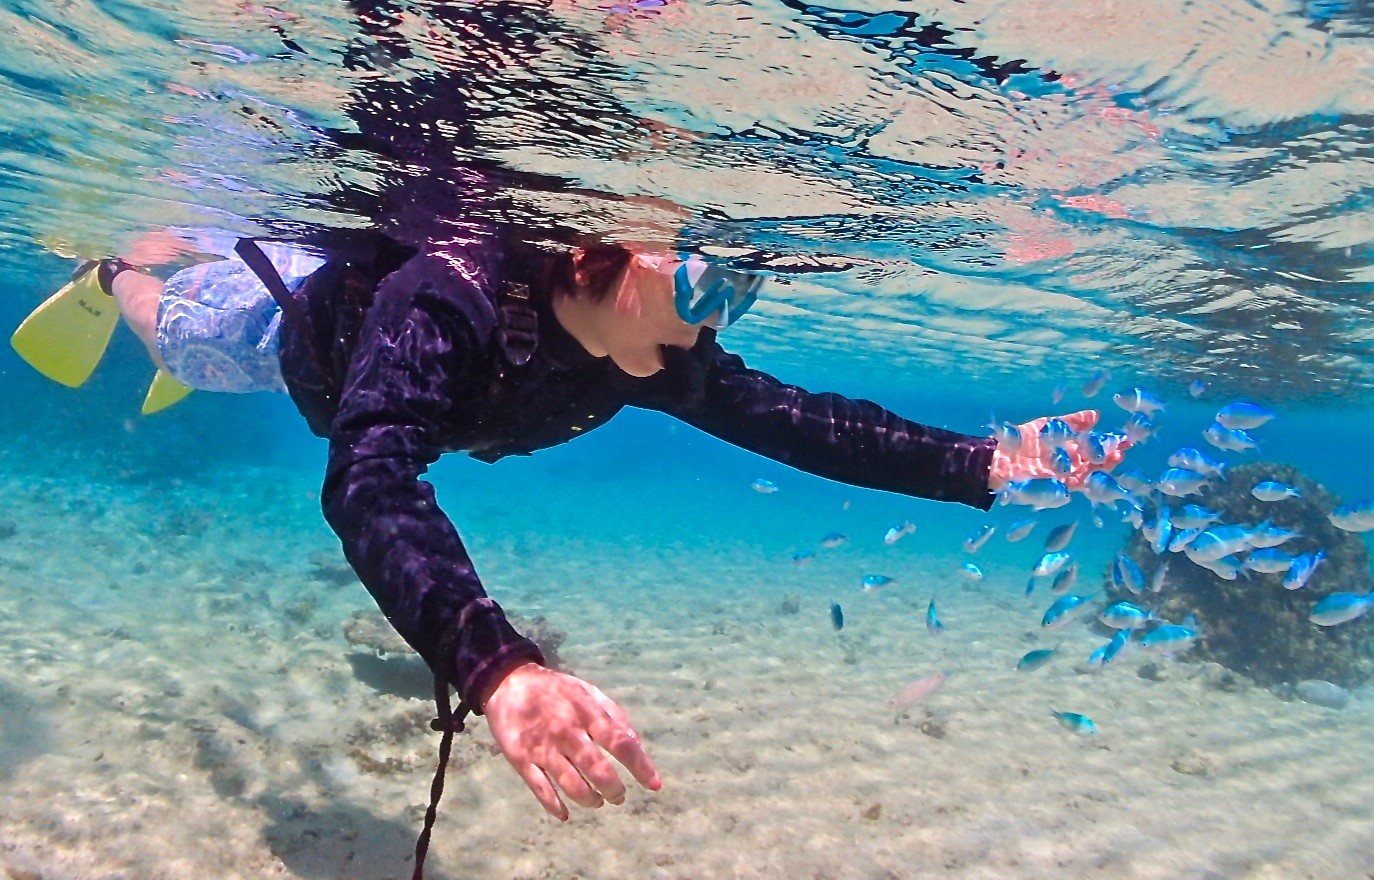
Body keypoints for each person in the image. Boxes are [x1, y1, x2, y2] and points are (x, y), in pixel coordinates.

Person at [11, 232, 1127, 861]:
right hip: (289, 335)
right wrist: (492, 664)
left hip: (397, 328)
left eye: (743, 286)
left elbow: (793, 418)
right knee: (188, 340)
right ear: (605, 254)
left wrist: (978, 463)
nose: (716, 319)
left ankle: (194, 250)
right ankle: (130, 267)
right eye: (702, 281)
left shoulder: (654, 348)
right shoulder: (447, 300)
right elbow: (366, 475)